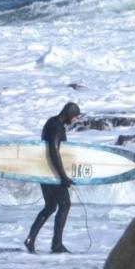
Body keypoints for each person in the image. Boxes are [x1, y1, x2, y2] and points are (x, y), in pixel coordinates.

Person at [25, 101, 82, 253]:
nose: (75, 121)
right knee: (65, 205)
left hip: (45, 171)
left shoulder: (52, 122)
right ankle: (56, 245)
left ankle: (30, 239)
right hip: (52, 173)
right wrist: (63, 176)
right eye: (75, 117)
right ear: (70, 115)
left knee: (50, 206)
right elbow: (54, 151)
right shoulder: (56, 126)